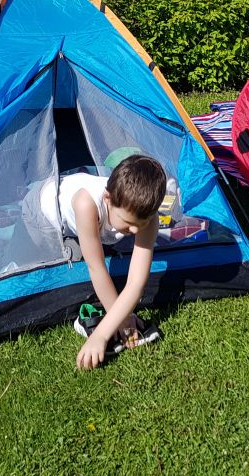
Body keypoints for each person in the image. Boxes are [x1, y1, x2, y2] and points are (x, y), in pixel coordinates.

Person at [37, 153, 166, 370]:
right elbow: (96, 268)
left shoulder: (148, 218)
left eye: (141, 224)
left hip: (90, 223)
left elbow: (136, 283)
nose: (135, 231)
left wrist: (123, 318)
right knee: (67, 256)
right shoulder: (86, 204)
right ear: (108, 199)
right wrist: (103, 334)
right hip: (42, 212)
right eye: (128, 222)